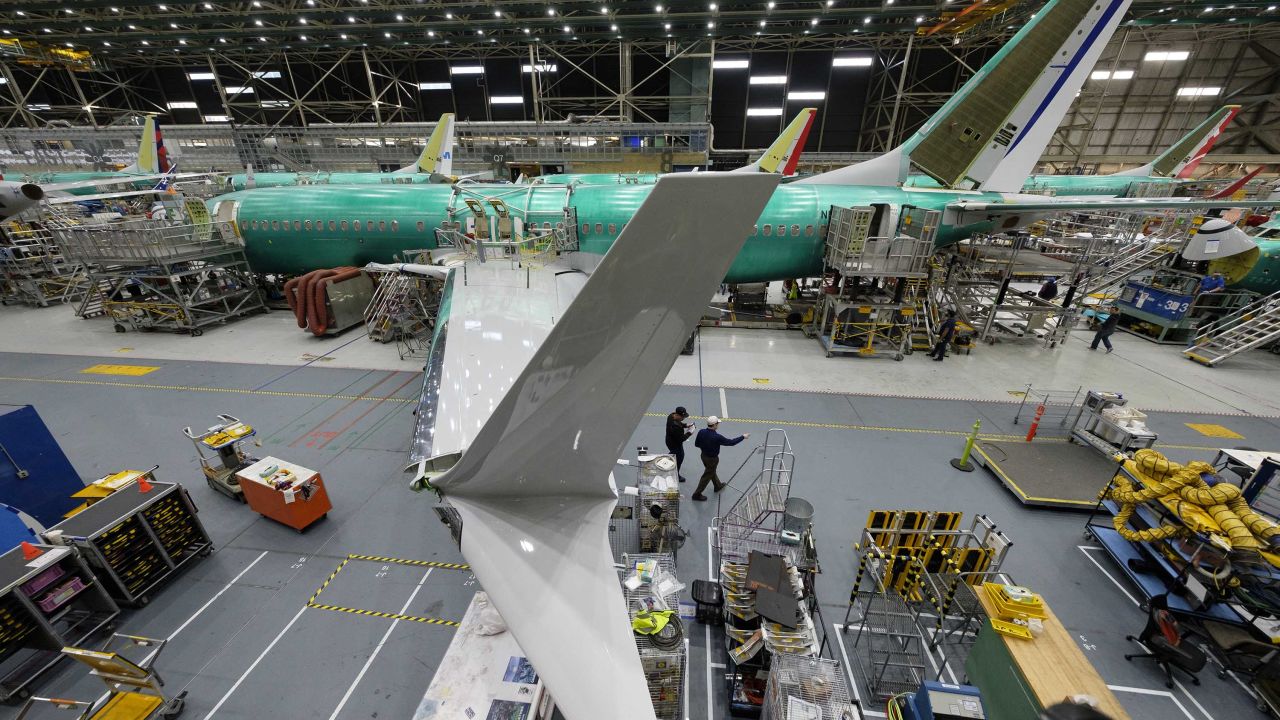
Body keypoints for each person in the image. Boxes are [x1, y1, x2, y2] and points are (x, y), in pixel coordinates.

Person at [691, 416, 749, 501]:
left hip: (703, 456)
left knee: (710, 471)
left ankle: (717, 486)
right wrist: (743, 437)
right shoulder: (717, 437)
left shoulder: (701, 432)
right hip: (712, 459)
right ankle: (696, 494)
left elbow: (697, 444)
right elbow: (731, 442)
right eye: (718, 423)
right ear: (714, 425)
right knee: (706, 476)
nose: (718, 425)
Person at [664, 406, 694, 482]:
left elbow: (679, 423)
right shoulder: (676, 427)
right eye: (682, 417)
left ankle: (666, 461)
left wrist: (685, 425)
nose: (683, 418)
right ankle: (675, 475)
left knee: (674, 453)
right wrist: (690, 432)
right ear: (677, 415)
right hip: (675, 443)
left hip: (669, 440)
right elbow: (681, 439)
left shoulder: (671, 416)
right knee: (680, 457)